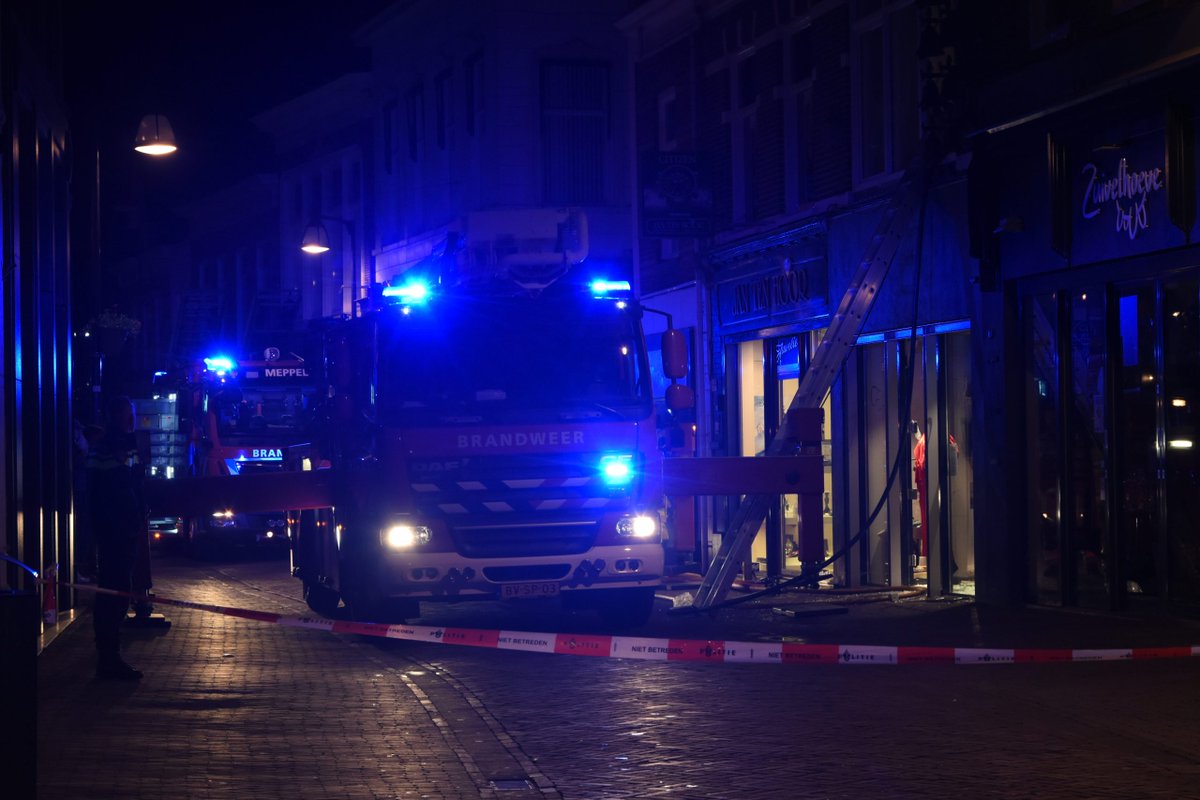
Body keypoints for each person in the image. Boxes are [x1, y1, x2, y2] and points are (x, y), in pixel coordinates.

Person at [86, 395, 147, 679]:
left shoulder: (119, 445)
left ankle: (110, 656)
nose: (132, 419)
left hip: (121, 528)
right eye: (128, 414)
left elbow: (132, 482)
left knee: (118, 591)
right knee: (114, 592)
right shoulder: (109, 446)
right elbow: (116, 486)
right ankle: (108, 659)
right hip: (115, 530)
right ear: (119, 416)